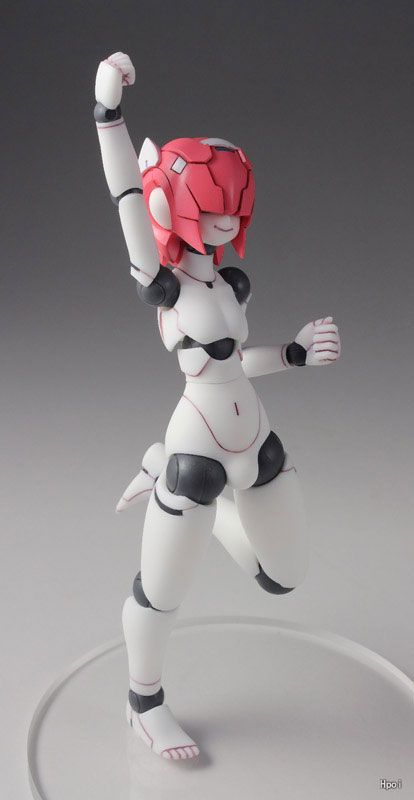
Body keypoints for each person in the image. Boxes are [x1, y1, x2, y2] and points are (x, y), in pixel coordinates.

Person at [94, 52, 341, 760]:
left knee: (282, 575)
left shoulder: (233, 284)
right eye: (213, 205)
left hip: (254, 437)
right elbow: (127, 198)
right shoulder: (165, 285)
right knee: (159, 594)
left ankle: (174, 480)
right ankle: (144, 706)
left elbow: (234, 365)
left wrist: (292, 355)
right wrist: (108, 115)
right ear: (177, 207)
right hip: (196, 450)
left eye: (235, 204)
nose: (228, 219)